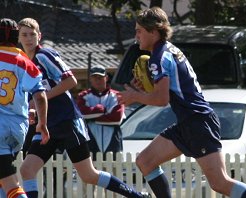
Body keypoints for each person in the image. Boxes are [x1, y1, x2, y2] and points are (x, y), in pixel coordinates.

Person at [117, 7, 246, 198]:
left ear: (153, 31)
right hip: (190, 122)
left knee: (220, 183)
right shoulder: (169, 50)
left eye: (139, 31)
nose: (136, 36)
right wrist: (141, 90)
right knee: (145, 161)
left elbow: (161, 99)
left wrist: (134, 96)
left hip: (198, 122)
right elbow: (170, 90)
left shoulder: (158, 58)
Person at [18, 17, 151, 198]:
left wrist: (40, 98)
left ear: (39, 36)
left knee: (88, 175)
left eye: (32, 34)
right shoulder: (24, 62)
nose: (28, 38)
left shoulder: (44, 55)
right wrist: (32, 108)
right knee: (27, 169)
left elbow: (71, 81)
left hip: (66, 122)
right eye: (24, 34)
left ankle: (137, 196)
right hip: (47, 125)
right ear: (18, 38)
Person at [0, 18, 49, 198]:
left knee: (10, 182)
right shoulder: (24, 61)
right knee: (4, 178)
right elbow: (40, 95)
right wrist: (42, 124)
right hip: (18, 129)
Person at [77, 65, 125, 161]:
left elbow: (116, 118)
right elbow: (81, 114)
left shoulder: (117, 95)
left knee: (114, 170)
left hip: (113, 140)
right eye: (95, 78)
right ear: (90, 79)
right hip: (90, 140)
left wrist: (92, 118)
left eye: (100, 77)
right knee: (92, 172)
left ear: (106, 78)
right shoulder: (83, 96)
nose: (98, 80)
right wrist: (101, 110)